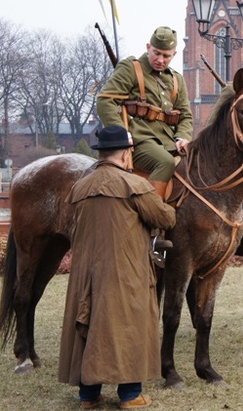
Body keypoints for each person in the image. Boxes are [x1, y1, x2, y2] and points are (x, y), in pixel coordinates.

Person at [58, 126, 176, 409]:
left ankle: (88, 396)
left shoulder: (80, 187)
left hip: (86, 272)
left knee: (90, 322)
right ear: (125, 154)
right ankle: (130, 394)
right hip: (126, 271)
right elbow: (165, 217)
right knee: (127, 325)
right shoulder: (133, 185)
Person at [96, 26, 194, 201]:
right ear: (148, 47)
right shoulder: (131, 68)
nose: (160, 60)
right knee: (165, 162)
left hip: (169, 141)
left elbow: (185, 115)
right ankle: (152, 213)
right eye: (156, 53)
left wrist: (182, 137)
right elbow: (105, 101)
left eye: (166, 56)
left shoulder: (176, 79)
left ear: (174, 55)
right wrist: (121, 135)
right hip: (139, 139)